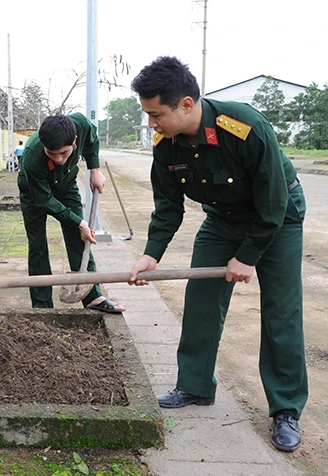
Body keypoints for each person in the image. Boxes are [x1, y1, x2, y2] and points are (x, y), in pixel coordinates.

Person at [129, 56, 307, 452]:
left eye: (156, 114)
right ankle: (194, 387)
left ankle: (285, 409)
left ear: (186, 105)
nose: (151, 124)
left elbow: (273, 203)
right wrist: (150, 255)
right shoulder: (166, 145)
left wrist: (247, 256)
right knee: (201, 300)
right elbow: (168, 207)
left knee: (281, 311)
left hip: (278, 219)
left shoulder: (245, 128)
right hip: (223, 220)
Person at [17, 113, 125, 313]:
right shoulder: (32, 156)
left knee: (79, 237)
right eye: (52, 154)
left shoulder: (81, 126)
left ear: (74, 141)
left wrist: (94, 170)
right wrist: (78, 221)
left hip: (66, 184)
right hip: (34, 192)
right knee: (38, 245)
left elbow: (92, 140)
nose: (59, 159)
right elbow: (44, 200)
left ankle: (93, 297)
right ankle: (42, 306)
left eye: (64, 153)